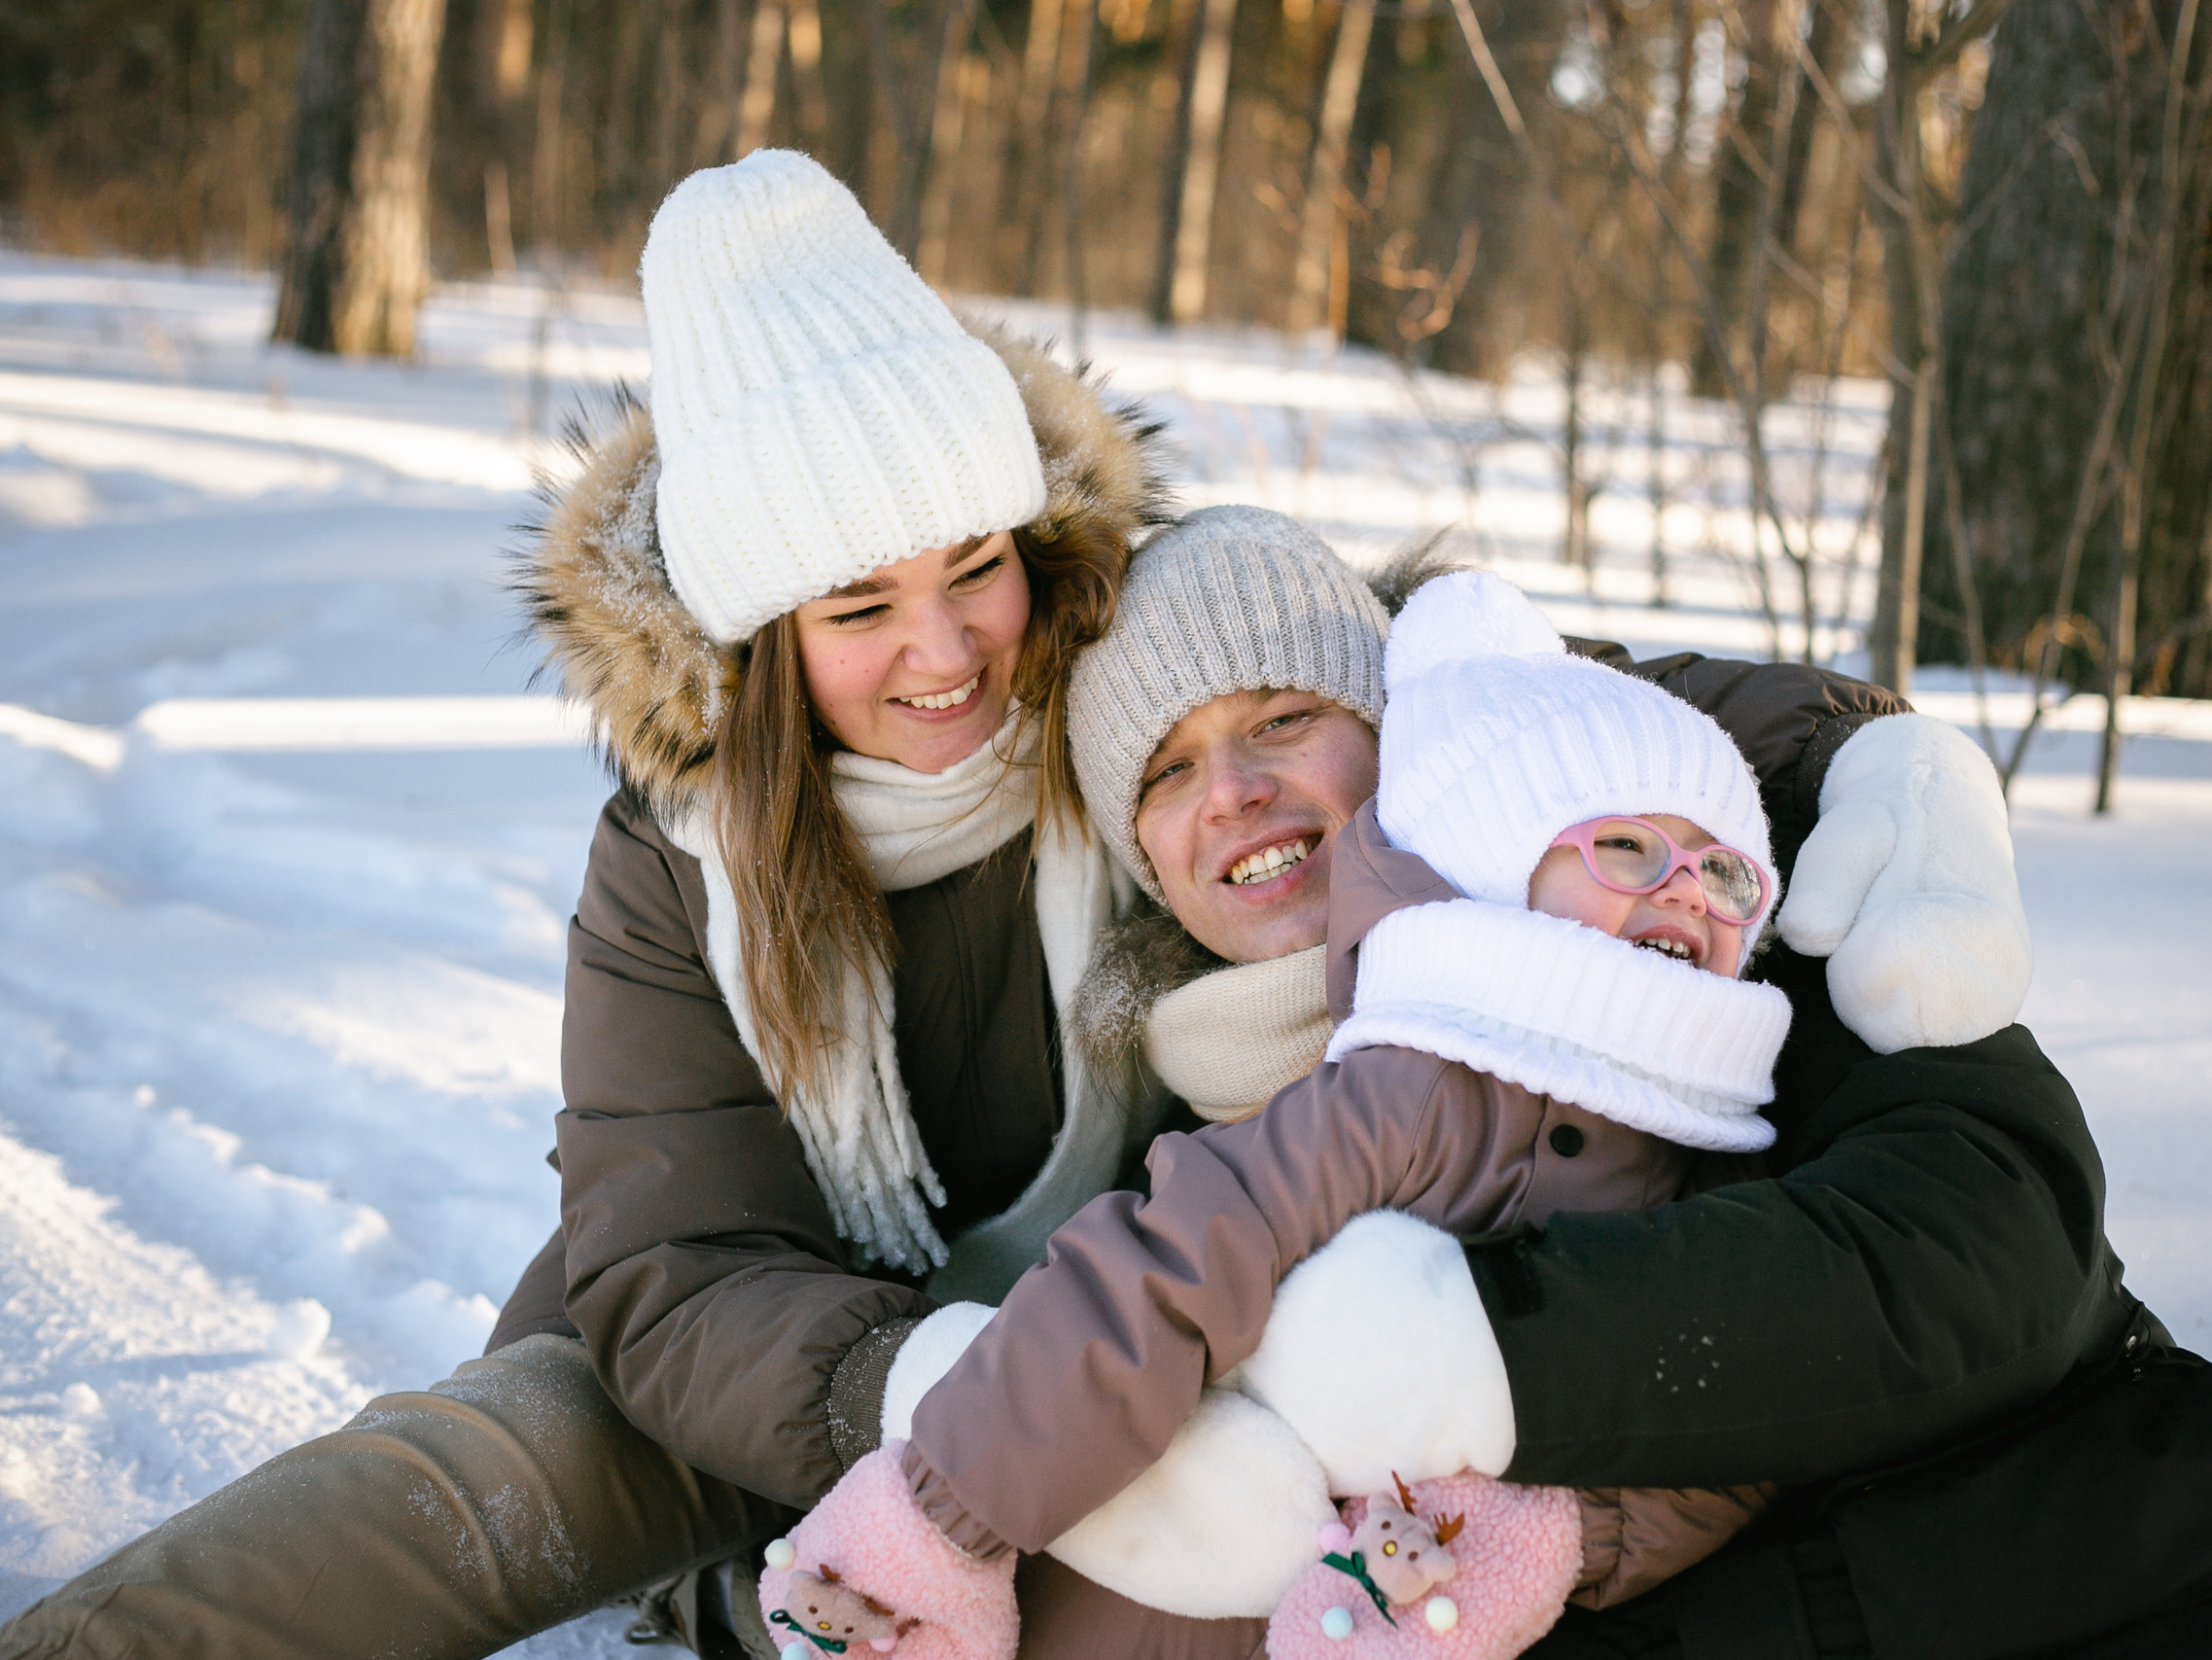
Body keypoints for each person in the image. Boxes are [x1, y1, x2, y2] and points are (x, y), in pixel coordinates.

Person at [0, 157, 1952, 1660]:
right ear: (763, 640)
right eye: (857, 610)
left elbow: (1497, 680)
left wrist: (1858, 749)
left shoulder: (1132, 650)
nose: (943, 653)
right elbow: (670, 1270)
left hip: (1147, 1325)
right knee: (475, 1477)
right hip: (784, 1351)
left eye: (971, 569)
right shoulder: (675, 867)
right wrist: (918, 1393)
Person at [760, 567, 1808, 1660]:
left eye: (1285, 716)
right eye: (1167, 768)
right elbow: (1147, 1283)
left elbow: (1760, 1395)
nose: (1232, 791)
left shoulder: (1739, 1129)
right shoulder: (1384, 1094)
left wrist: (1549, 1534)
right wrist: (942, 1517)